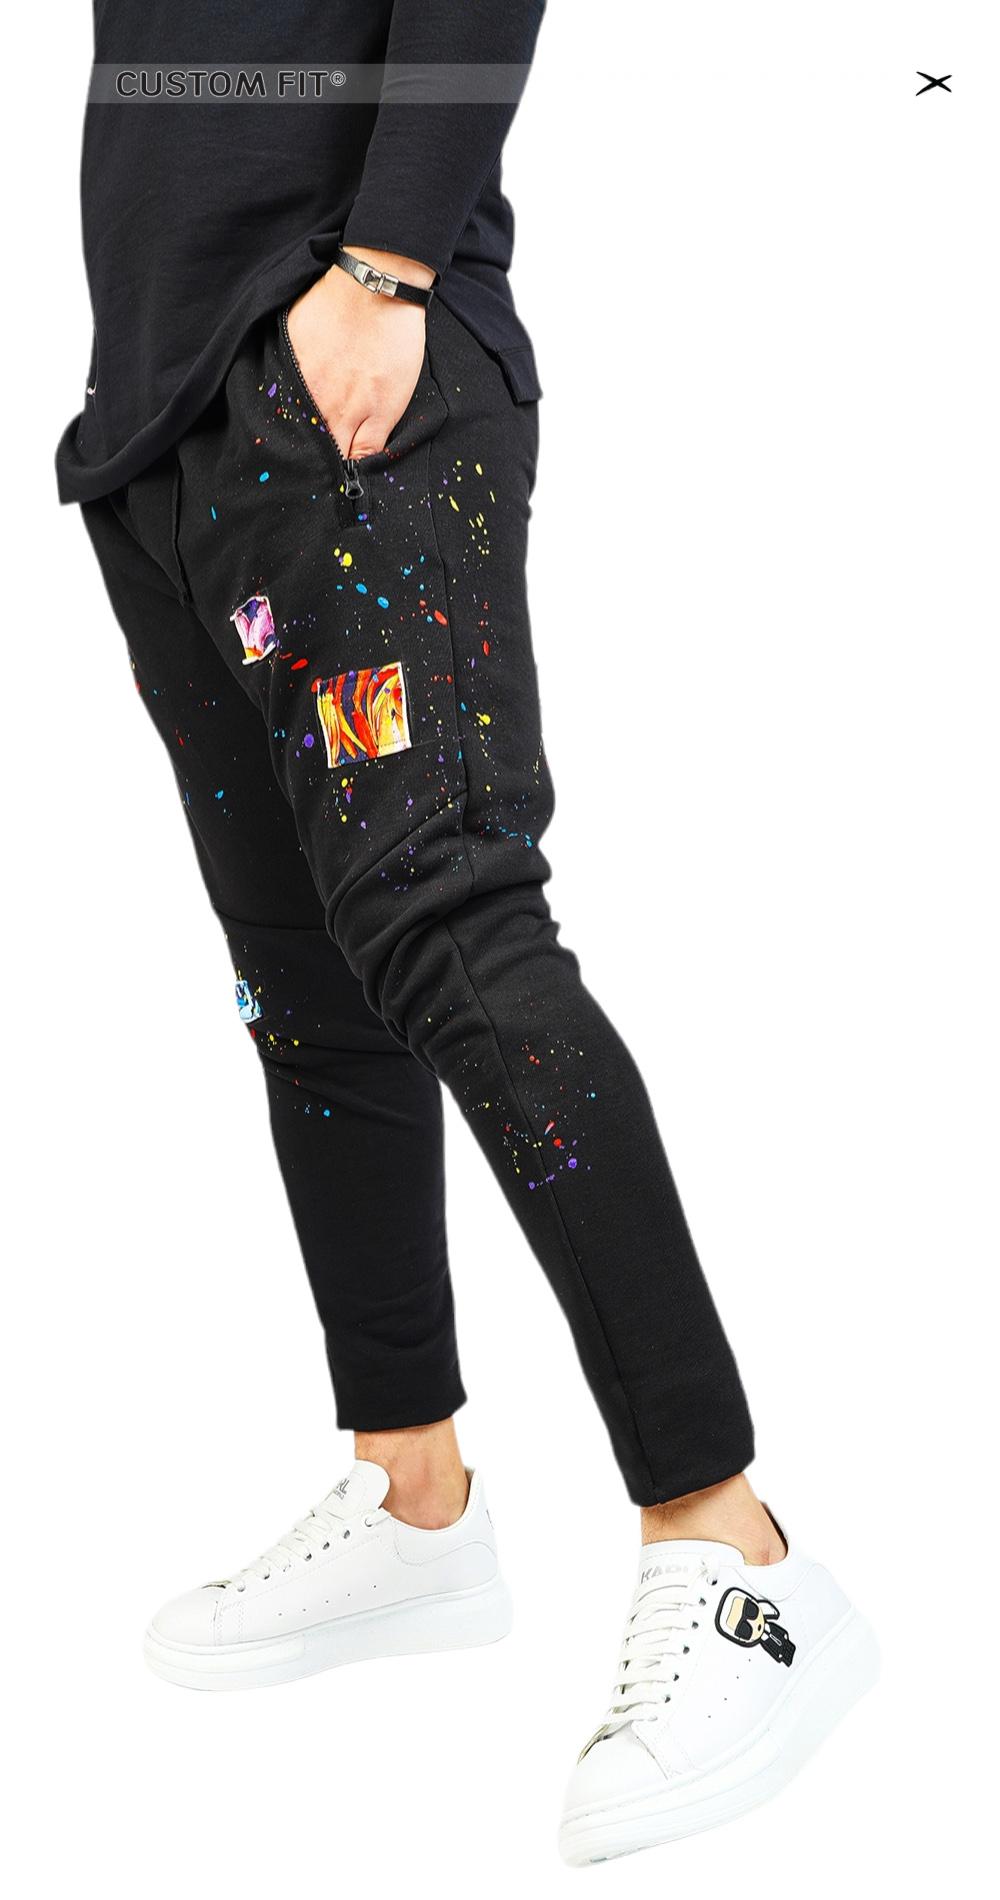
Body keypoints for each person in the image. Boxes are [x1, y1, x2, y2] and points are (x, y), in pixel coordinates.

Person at [59, 2, 876, 1863]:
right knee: (306, 988)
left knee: (454, 933)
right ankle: (413, 1491)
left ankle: (731, 1543)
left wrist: (388, 262)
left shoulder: (372, 299)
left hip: (346, 368)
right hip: (162, 417)